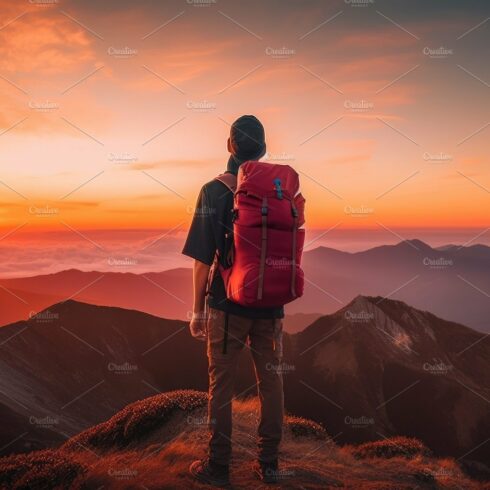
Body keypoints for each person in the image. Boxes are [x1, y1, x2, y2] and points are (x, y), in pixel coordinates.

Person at [183, 115, 285, 486]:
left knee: (221, 385)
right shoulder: (278, 189)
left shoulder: (214, 191)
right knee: (271, 382)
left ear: (229, 146)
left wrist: (197, 311)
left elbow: (200, 260)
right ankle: (270, 464)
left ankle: (219, 466)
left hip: (227, 306)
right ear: (263, 149)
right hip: (272, 304)